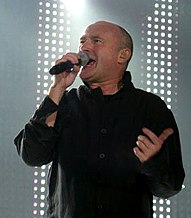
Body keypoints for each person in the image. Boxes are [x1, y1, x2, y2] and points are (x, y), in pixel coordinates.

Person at [14, 21, 185, 218]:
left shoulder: (151, 108)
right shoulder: (63, 102)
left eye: (96, 41)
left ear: (123, 55)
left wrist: (153, 161)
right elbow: (31, 155)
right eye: (82, 42)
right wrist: (58, 87)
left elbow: (170, 187)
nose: (85, 47)